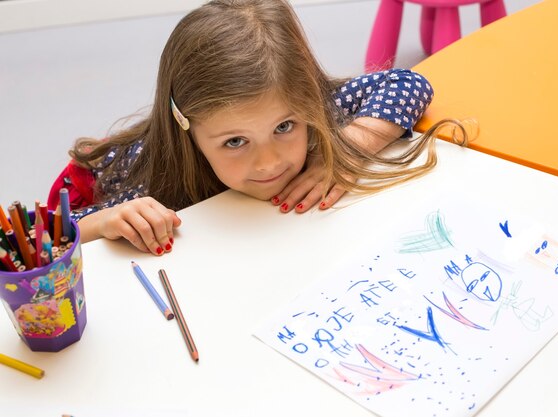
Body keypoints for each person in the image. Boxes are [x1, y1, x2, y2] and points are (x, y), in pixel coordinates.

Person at [48, 0, 470, 256]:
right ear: (186, 128)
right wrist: (107, 221)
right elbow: (40, 234)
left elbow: (409, 83)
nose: (270, 162)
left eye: (285, 126)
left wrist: (345, 150)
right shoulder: (149, 172)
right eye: (235, 141)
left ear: (306, 99)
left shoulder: (318, 110)